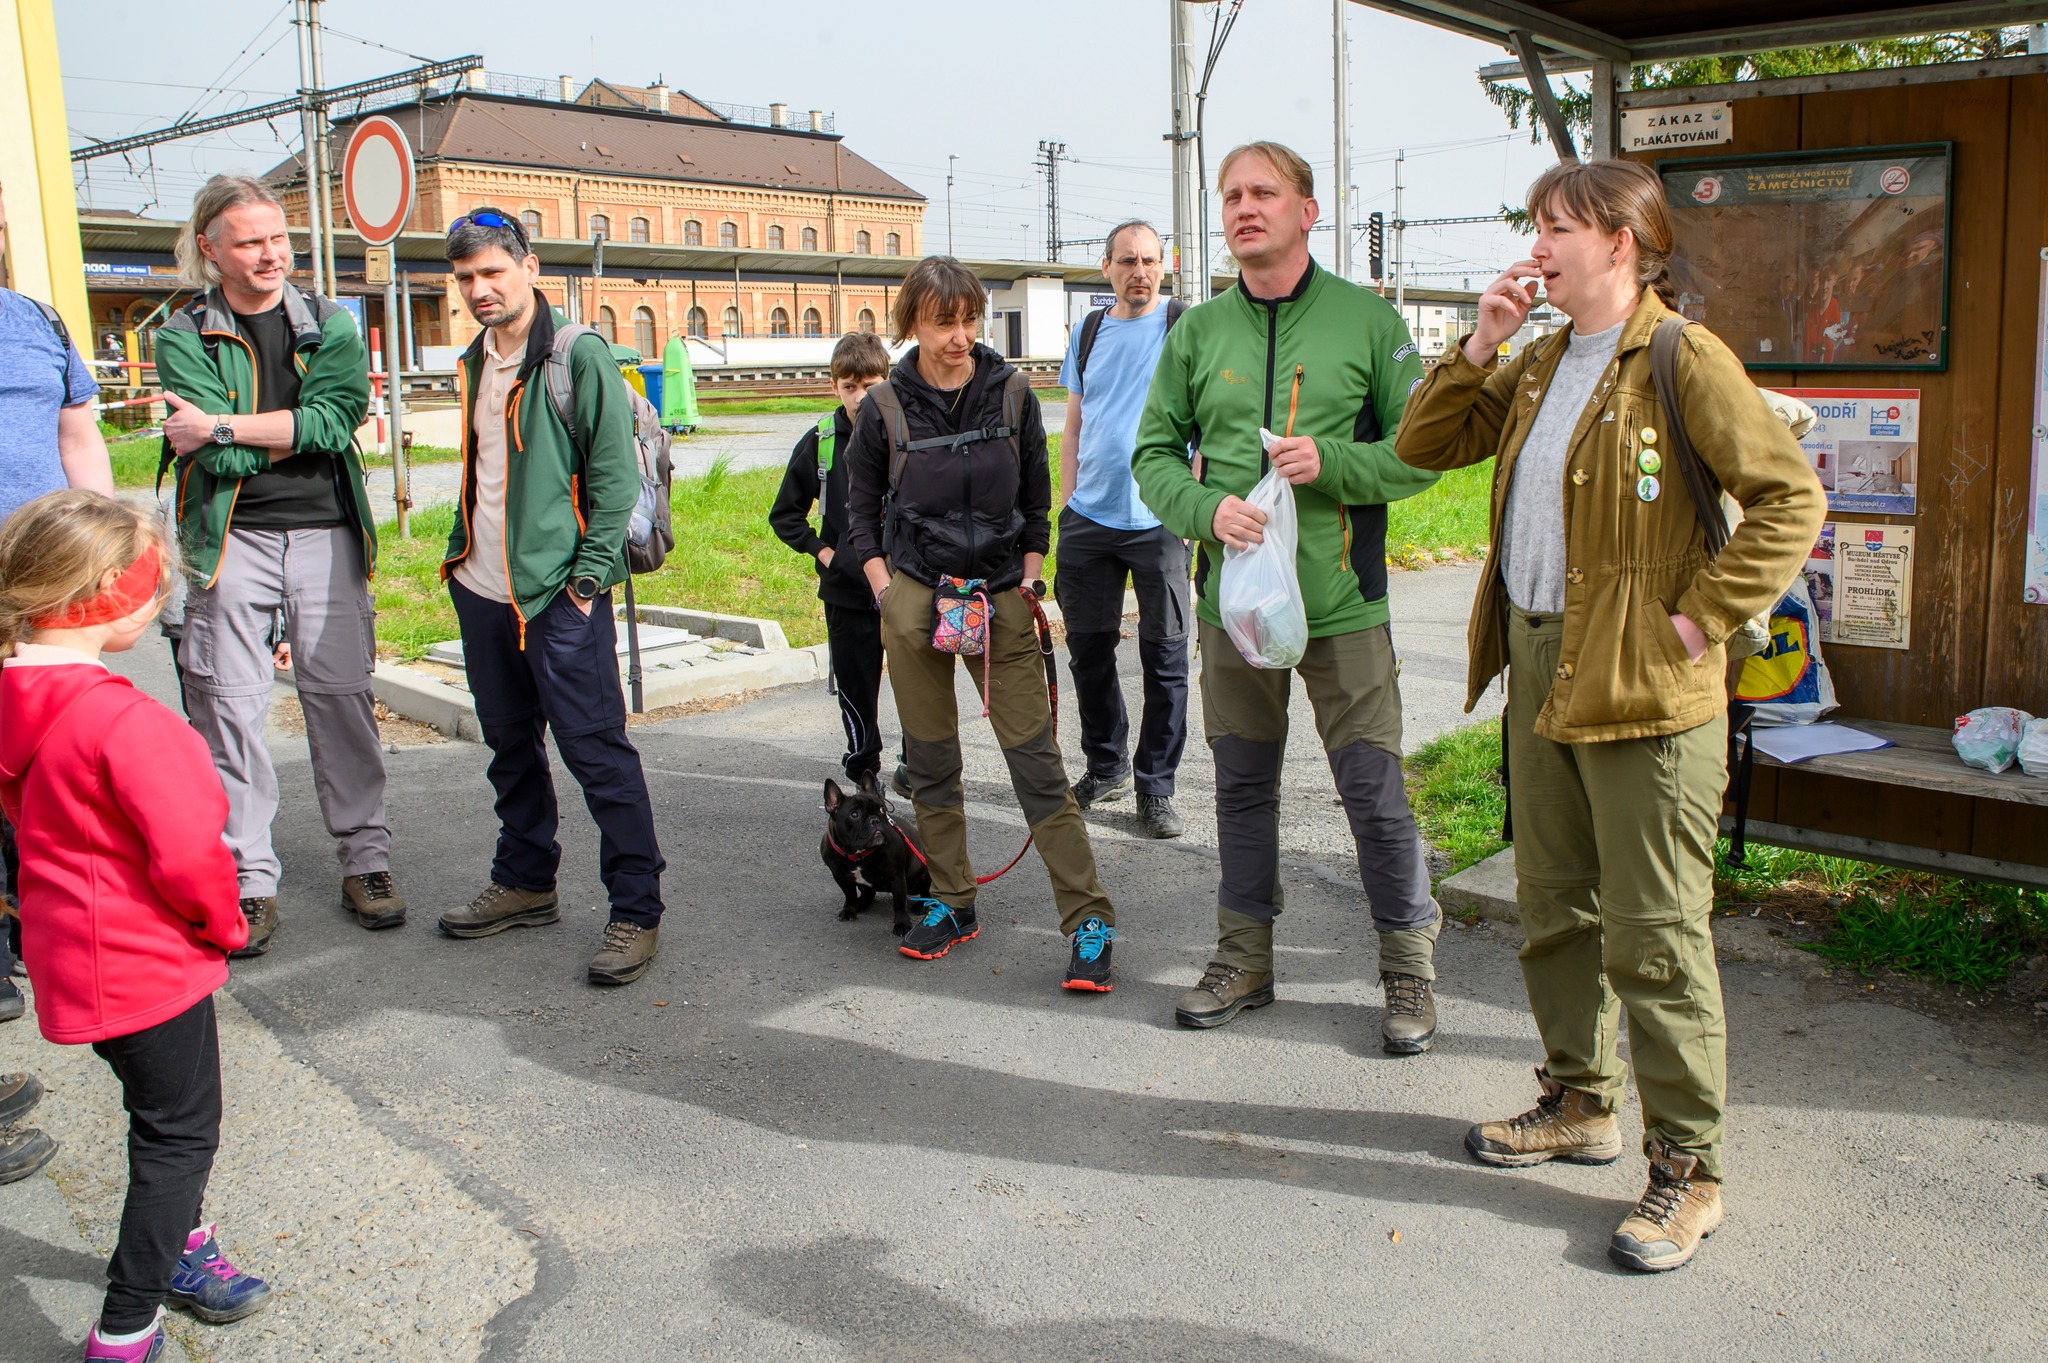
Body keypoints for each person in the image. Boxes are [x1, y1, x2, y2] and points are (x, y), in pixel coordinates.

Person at [1393, 157, 1824, 1272]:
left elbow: (1789, 499)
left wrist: (1700, 619)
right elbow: (1422, 448)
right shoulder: (1539, 360)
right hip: (1542, 663)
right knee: (1554, 907)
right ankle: (1580, 1102)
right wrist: (1479, 342)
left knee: (1655, 932)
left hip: (1647, 683)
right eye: (1536, 224)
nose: (1536, 246)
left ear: (1622, 243)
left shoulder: (1682, 356)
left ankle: (1689, 1168)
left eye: (1558, 228)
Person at [1130, 141, 1446, 1054]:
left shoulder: (1366, 321)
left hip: (1343, 604)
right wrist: (1205, 510)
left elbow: (1426, 450)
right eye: (1231, 194)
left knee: (1374, 791)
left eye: (1263, 192)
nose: (1244, 207)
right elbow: (1152, 455)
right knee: (1240, 786)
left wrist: (1332, 462)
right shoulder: (1197, 331)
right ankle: (1244, 958)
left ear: (1308, 211)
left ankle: (1407, 966)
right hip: (1237, 609)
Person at [0, 489, 274, 1360]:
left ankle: (183, 1242)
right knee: (179, 1135)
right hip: (147, 965)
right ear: (113, 594)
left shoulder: (14, 694)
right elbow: (193, 856)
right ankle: (126, 1327)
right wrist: (224, 924)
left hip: (69, 960)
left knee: (156, 1112)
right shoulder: (127, 721)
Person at [844, 255, 1119, 990]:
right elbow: (859, 514)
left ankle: (1088, 918)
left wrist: (1029, 575)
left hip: (998, 596)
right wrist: (885, 592)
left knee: (1037, 764)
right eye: (944, 322)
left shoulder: (1013, 394)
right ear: (913, 322)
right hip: (915, 598)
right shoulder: (883, 408)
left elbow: (1036, 499)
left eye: (971, 319)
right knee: (932, 762)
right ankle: (953, 899)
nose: (961, 336)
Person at [154, 174, 401, 954]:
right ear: (210, 249)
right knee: (228, 709)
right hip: (230, 539)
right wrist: (261, 433)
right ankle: (249, 881)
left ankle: (367, 861)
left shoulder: (330, 321)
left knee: (342, 699)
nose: (271, 255)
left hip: (327, 532)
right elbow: (223, 454)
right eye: (251, 242)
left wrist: (223, 426)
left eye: (279, 239)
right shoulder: (182, 333)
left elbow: (334, 423)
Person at [434, 206, 669, 986]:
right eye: (466, 277)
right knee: (510, 750)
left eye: (493, 272)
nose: (480, 288)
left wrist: (586, 583)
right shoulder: (475, 360)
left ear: (529, 268)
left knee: (596, 753)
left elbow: (616, 480)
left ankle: (636, 908)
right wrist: (460, 562)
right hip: (483, 591)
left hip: (558, 597)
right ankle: (526, 880)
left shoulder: (576, 354)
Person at [0, 186, 117, 1144]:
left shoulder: (36, 323)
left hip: (34, 591)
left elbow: (81, 443)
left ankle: (32, 931)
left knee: (37, 772)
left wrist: (106, 555)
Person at [1056, 219, 1191, 841]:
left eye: (1150, 260)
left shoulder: (1183, 327)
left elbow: (1206, 426)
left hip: (1159, 518)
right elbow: (1074, 425)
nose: (1140, 271)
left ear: (1165, 266)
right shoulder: (1087, 332)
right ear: (1107, 268)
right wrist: (1067, 506)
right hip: (1089, 518)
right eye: (1128, 261)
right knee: (1088, 653)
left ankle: (1155, 787)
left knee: (1165, 658)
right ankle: (1106, 765)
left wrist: (1190, 509)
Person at [768, 330, 893, 787]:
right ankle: (864, 774)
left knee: (920, 690)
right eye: (850, 387)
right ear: (834, 386)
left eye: (870, 386)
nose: (860, 397)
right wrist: (827, 554)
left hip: (905, 585)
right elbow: (785, 515)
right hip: (847, 592)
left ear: (888, 381)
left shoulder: (906, 432)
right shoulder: (821, 441)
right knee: (857, 691)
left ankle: (921, 769)